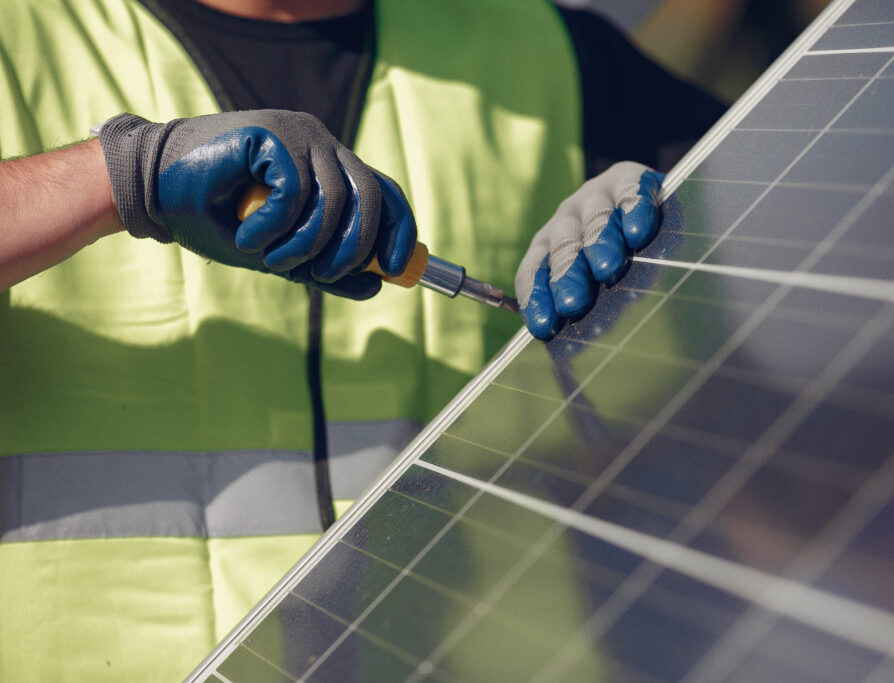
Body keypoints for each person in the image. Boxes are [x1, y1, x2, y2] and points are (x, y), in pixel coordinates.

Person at [0, 0, 725, 679]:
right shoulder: (22, 39)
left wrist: (682, 213)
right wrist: (117, 175)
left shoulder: (550, 53)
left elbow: (789, 290)